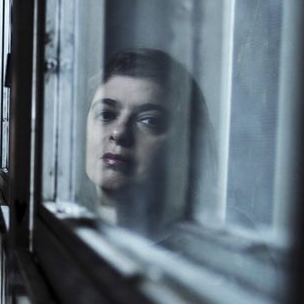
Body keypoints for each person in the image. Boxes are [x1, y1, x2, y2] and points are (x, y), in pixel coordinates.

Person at [84, 48, 217, 236]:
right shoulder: (64, 228)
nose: (119, 133)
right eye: (106, 114)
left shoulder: (200, 246)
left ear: (185, 145)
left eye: (150, 121)